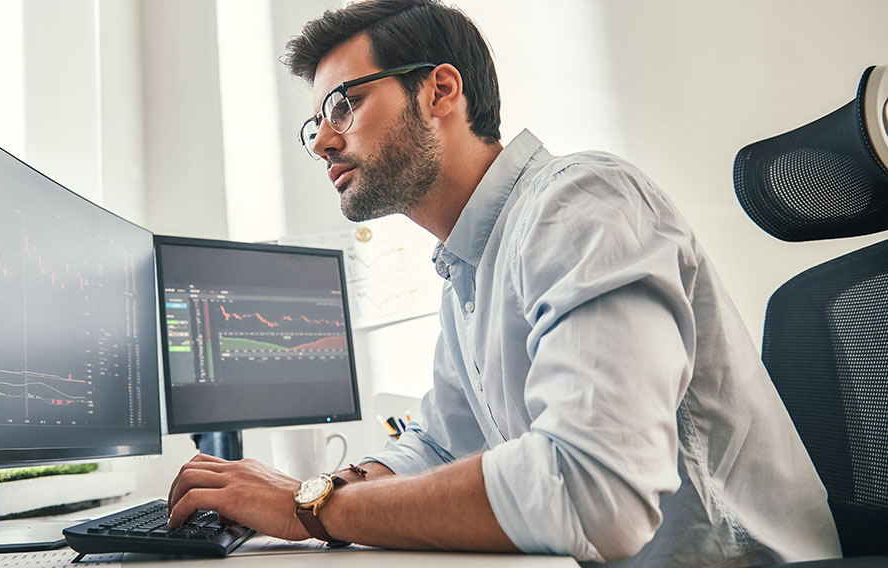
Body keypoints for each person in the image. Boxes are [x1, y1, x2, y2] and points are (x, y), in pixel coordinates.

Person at [166, 1, 841, 565]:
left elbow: (592, 491)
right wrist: (326, 486)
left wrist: (310, 508)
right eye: (316, 122)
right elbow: (438, 442)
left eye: (344, 104)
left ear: (440, 91)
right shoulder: (467, 268)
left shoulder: (583, 205)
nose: (321, 142)